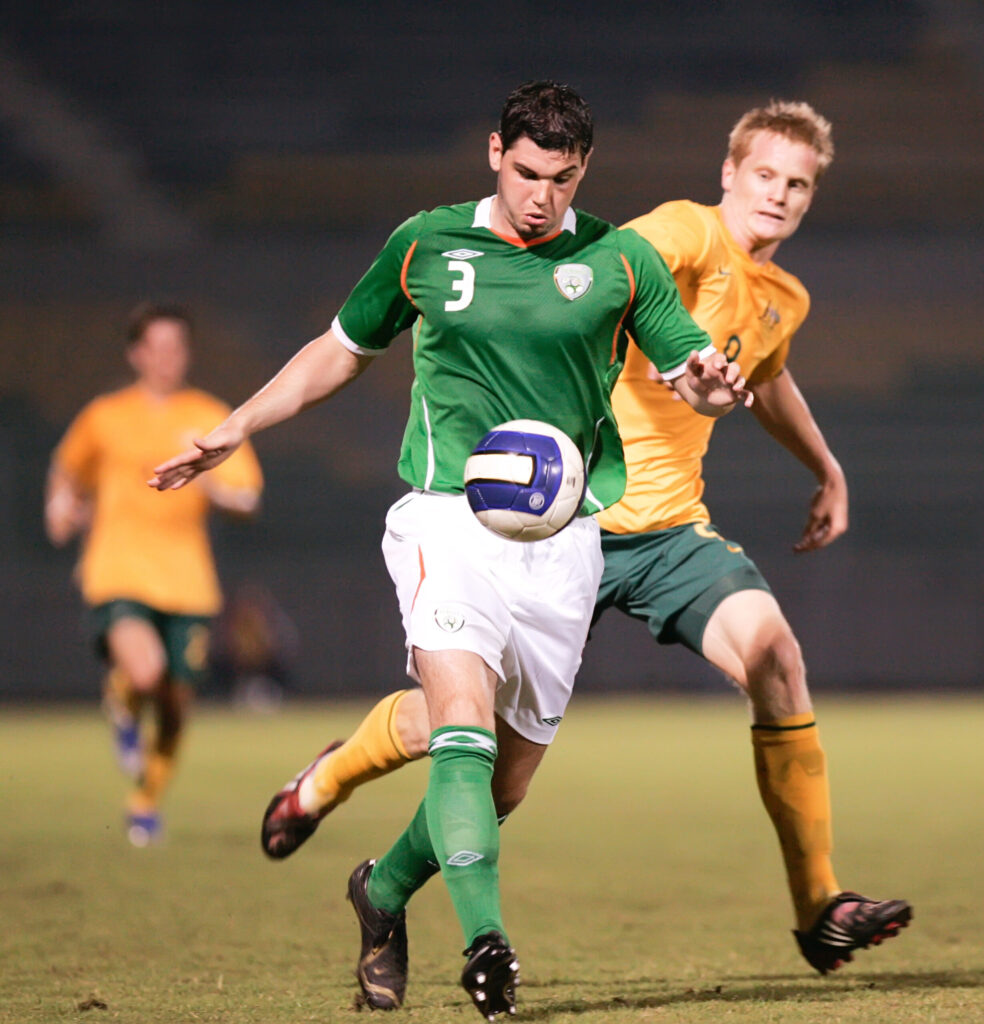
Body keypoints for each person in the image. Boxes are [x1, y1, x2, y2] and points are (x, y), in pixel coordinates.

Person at [257, 100, 912, 980]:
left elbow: (767, 375)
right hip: (565, 519)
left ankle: (819, 906)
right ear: (729, 174)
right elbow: (609, 265)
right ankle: (329, 782)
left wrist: (826, 468)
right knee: (463, 742)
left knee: (774, 655)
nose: (779, 195)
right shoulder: (680, 234)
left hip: (670, 531)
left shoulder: (781, 296)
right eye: (765, 174)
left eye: (798, 184)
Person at [150, 81, 750, 1020]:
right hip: (447, 518)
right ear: (492, 153)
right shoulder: (427, 243)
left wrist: (714, 384)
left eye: (560, 177)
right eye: (524, 172)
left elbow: (693, 376)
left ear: (583, 169)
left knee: (500, 785)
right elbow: (342, 347)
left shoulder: (621, 259)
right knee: (461, 718)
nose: (540, 195)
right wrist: (239, 424)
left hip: (566, 542)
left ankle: (381, 893)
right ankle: (488, 944)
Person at [46, 302, 263, 846]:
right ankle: (122, 696)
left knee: (174, 703)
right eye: (157, 347)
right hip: (117, 568)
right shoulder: (105, 415)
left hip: (188, 581)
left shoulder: (209, 415)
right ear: (136, 354)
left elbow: (248, 496)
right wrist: (59, 503)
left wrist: (211, 481)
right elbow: (67, 469)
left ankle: (145, 802)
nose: (167, 358)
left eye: (177, 347)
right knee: (145, 672)